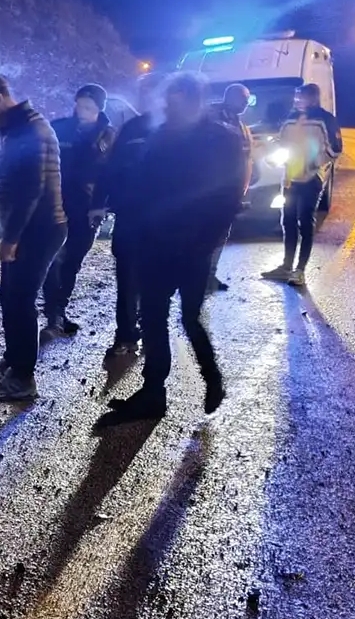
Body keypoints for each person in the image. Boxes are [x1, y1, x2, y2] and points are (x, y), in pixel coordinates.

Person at [104, 73, 246, 420]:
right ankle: (153, 392)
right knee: (153, 318)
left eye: (174, 98)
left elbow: (227, 198)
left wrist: (205, 242)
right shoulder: (160, 135)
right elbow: (142, 186)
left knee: (189, 318)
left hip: (193, 248)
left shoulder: (219, 139)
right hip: (155, 246)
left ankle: (212, 377)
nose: (166, 104)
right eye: (167, 98)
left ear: (192, 98)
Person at [0, 73, 67, 402]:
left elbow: (30, 191)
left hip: (38, 231)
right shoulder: (17, 129)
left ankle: (23, 378)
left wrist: (11, 238)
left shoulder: (30, 130)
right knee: (10, 299)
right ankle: (13, 363)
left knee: (20, 301)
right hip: (29, 230)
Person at [90, 72, 164, 361]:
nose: (147, 97)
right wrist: (98, 203)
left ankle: (154, 329)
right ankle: (126, 335)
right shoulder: (132, 128)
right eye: (143, 92)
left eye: (152, 91)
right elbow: (110, 168)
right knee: (127, 279)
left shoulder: (179, 130)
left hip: (165, 222)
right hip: (130, 219)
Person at [41, 84, 116, 338]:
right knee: (54, 258)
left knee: (73, 261)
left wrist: (101, 206)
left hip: (87, 209)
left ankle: (60, 309)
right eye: (79, 104)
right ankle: (53, 314)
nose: (81, 110)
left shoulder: (109, 136)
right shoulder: (58, 128)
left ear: (99, 108)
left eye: (88, 106)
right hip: (55, 204)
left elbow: (111, 174)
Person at [260, 83, 342, 286]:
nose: (297, 101)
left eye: (301, 97)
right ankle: (286, 266)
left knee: (305, 222)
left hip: (312, 179)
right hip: (290, 177)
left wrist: (315, 163)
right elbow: (282, 140)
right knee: (287, 221)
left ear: (313, 98)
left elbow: (336, 149)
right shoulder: (291, 117)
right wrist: (273, 151)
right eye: (296, 97)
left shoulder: (325, 119)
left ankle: (300, 270)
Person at [207, 83, 254, 292]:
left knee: (220, 235)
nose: (246, 104)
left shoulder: (242, 126)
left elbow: (247, 158)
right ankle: (193, 277)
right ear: (231, 97)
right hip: (207, 191)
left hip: (230, 193)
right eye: (243, 99)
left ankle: (209, 276)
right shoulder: (209, 116)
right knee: (201, 235)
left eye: (247, 100)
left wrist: (243, 187)